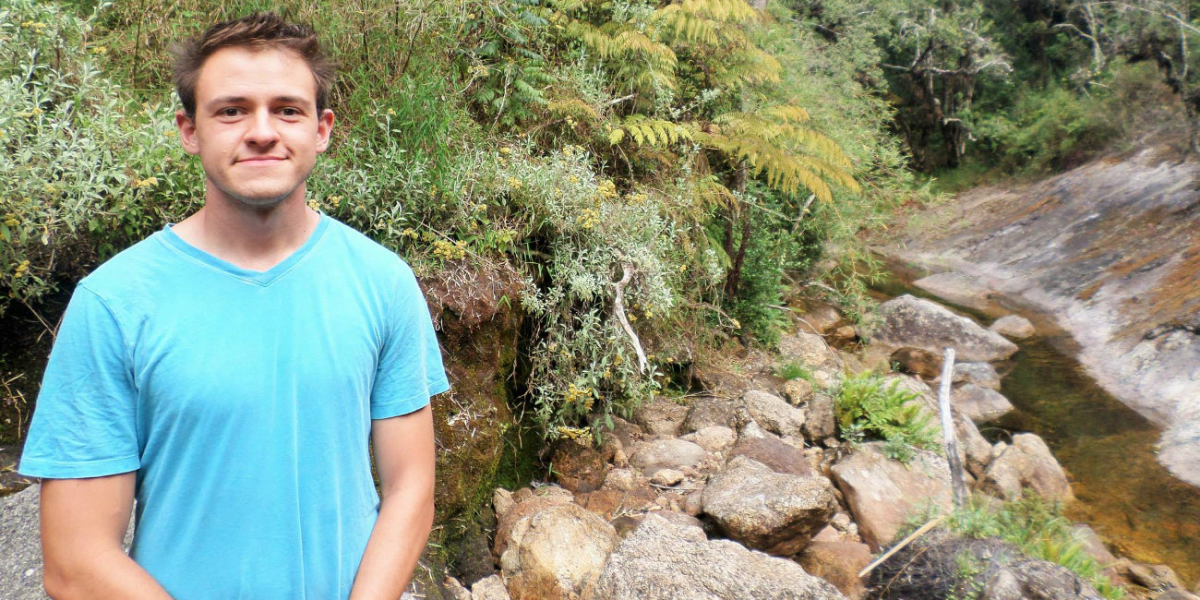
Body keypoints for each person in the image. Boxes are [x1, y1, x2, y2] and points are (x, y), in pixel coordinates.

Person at [18, 12, 448, 600]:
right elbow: (75, 559)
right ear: (189, 129)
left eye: (287, 110)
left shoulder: (384, 283)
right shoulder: (113, 304)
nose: (262, 131)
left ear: (321, 129)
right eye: (231, 110)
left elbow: (410, 489)